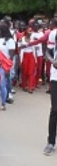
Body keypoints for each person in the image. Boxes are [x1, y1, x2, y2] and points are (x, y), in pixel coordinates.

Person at [44, 27, 57, 155]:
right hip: (56, 77)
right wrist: (53, 61)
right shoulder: (54, 34)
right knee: (55, 110)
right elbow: (47, 51)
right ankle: (51, 142)